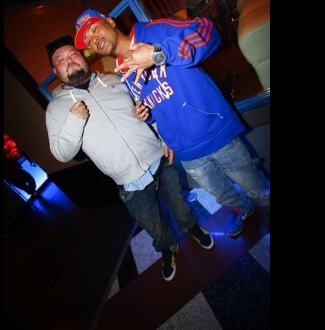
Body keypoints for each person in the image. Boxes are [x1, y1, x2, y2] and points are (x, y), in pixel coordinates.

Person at [73, 9, 270, 237]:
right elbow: (156, 104)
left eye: (93, 29)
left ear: (109, 21)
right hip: (186, 151)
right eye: (87, 40)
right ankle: (242, 208)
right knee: (221, 194)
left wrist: (158, 53)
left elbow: (207, 31)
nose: (93, 39)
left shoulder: (153, 31)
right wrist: (145, 114)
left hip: (215, 133)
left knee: (257, 189)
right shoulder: (122, 69)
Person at [44, 35, 214, 282]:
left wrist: (162, 137)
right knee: (151, 223)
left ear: (83, 56)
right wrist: (74, 120)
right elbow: (62, 153)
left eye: (73, 54)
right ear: (55, 71)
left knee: (179, 202)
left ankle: (191, 226)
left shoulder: (115, 79)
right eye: (61, 60)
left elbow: (147, 108)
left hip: (158, 159)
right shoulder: (56, 109)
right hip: (128, 181)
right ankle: (167, 247)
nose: (69, 61)